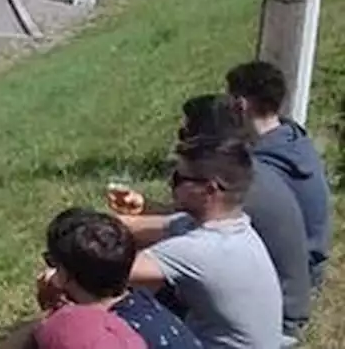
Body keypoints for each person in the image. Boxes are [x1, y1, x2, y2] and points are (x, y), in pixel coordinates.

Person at [118, 136, 283, 348]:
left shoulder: (200, 248)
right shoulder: (232, 228)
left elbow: (101, 269)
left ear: (210, 190)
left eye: (179, 178)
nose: (170, 184)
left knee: (111, 306)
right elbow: (132, 226)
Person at [29, 208, 201, 349]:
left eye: (52, 262)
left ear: (64, 275)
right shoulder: (147, 305)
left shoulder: (93, 336)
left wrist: (49, 318)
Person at [225, 61, 331, 287]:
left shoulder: (263, 169)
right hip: (310, 263)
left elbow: (223, 222)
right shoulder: (294, 141)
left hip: (289, 278)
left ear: (240, 105)